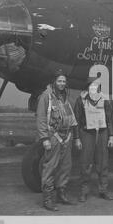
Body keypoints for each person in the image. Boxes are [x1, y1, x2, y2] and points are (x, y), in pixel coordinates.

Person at [36, 69, 82, 211]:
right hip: (53, 136)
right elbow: (41, 119)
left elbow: (72, 119)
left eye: (64, 81)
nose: (62, 83)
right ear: (54, 82)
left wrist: (76, 137)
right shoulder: (46, 97)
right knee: (50, 167)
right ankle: (48, 199)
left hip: (66, 137)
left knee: (65, 167)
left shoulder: (64, 97)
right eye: (59, 81)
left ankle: (61, 194)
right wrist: (45, 138)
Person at [73, 77, 113, 202]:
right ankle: (84, 191)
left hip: (102, 133)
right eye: (91, 86)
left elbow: (110, 119)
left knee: (103, 163)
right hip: (87, 133)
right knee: (85, 163)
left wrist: (111, 136)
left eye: (95, 86)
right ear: (87, 87)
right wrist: (77, 138)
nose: (93, 88)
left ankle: (103, 190)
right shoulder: (80, 100)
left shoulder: (104, 100)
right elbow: (76, 120)